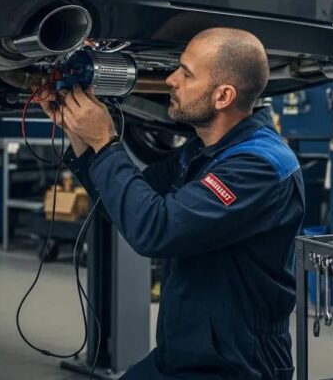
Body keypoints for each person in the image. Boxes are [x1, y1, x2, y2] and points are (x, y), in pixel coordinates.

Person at [41, 28, 305, 380]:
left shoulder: (259, 166)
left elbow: (155, 231)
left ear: (223, 96)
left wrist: (105, 142)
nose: (170, 80)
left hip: (237, 363)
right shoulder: (205, 150)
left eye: (186, 72)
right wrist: (77, 132)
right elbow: (127, 205)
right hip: (185, 349)